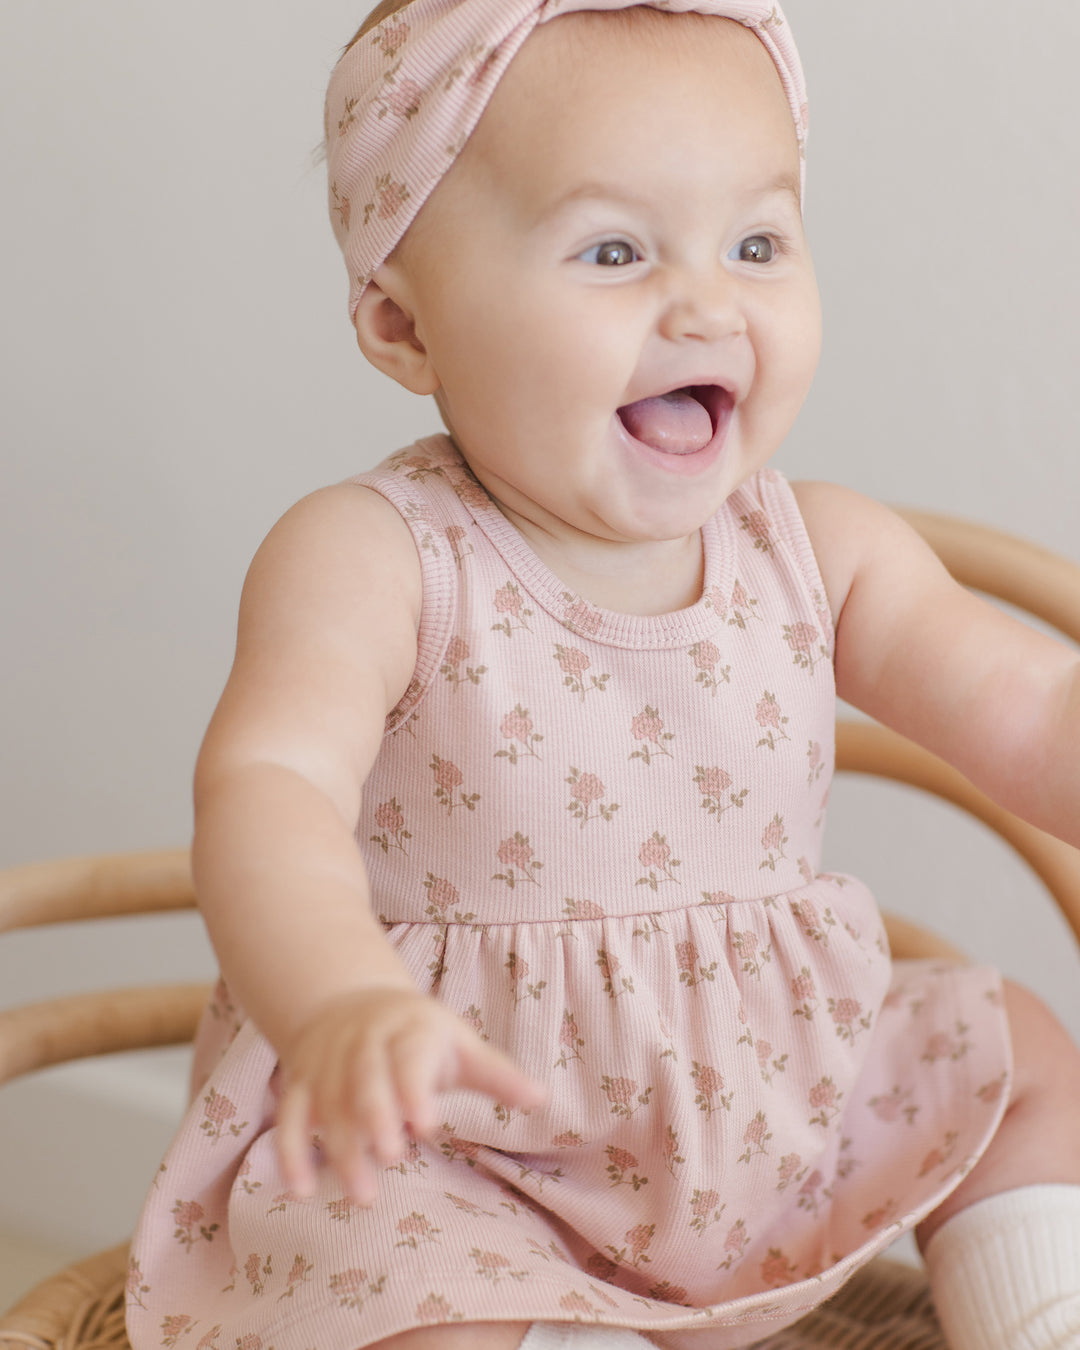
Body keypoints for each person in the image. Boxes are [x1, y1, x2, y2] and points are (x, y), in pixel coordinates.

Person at [126, 3, 1080, 1349]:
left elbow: (1029, 709)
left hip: (772, 1109)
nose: (708, 302)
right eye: (615, 250)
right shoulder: (376, 557)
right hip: (468, 1143)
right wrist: (334, 994)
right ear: (404, 326)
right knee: (408, 1282)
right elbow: (269, 783)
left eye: (757, 242)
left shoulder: (825, 548)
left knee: (1020, 1051)